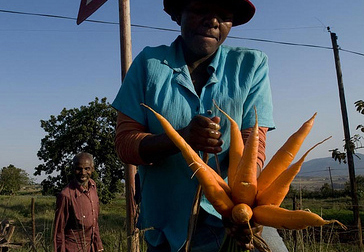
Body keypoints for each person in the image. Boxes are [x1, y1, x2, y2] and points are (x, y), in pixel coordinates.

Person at [112, 0, 288, 251]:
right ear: (177, 15)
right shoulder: (148, 63)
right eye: (200, 10)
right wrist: (181, 139)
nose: (213, 21)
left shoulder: (251, 65)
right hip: (166, 228)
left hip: (234, 218)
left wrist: (245, 208)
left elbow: (254, 145)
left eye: (224, 15)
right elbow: (125, 144)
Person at [53, 152, 104, 252]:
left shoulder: (93, 187)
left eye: (87, 169)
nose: (83, 173)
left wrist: (98, 245)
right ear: (73, 169)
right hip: (73, 248)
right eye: (79, 169)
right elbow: (58, 231)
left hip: (91, 247)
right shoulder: (66, 195)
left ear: (92, 169)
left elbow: (94, 222)